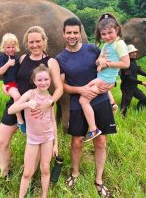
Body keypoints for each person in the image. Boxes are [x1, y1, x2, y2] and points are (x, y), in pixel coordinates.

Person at [56, 17, 116, 197]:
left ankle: (99, 179)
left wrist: (111, 85)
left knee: (101, 141)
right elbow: (62, 86)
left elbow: (107, 67)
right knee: (76, 142)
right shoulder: (60, 58)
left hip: (100, 100)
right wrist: (80, 90)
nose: (72, 36)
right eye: (69, 33)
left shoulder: (92, 49)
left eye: (76, 32)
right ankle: (75, 173)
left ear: (80, 32)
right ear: (63, 34)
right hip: (77, 104)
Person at [0, 26, 63, 180]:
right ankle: (4, 175)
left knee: (37, 147)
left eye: (38, 41)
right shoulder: (22, 58)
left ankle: (31, 178)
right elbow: (10, 77)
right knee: (1, 141)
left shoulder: (51, 62)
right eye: (31, 42)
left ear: (44, 41)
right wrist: (5, 87)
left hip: (39, 108)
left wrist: (50, 102)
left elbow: (59, 88)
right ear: (27, 43)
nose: (34, 45)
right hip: (19, 103)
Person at [8, 64, 58, 198]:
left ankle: (44, 195)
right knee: (27, 172)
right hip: (33, 139)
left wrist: (56, 144)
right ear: (34, 81)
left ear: (50, 80)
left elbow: (53, 121)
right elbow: (11, 110)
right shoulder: (30, 94)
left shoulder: (50, 97)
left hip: (48, 138)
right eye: (39, 80)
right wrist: (26, 104)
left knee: (45, 169)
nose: (43, 82)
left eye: (46, 79)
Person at [79, 13, 129, 142]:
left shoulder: (119, 44)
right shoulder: (106, 45)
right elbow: (98, 60)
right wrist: (100, 62)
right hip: (102, 76)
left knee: (83, 100)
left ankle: (93, 129)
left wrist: (107, 63)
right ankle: (112, 103)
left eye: (109, 33)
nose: (107, 37)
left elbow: (126, 63)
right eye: (103, 34)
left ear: (117, 29)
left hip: (105, 79)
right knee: (86, 91)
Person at [0, 33, 25, 134]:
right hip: (10, 84)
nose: (11, 49)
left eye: (13, 47)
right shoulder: (3, 57)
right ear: (4, 47)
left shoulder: (16, 57)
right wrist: (8, 64)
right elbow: (0, 71)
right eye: (8, 47)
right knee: (17, 97)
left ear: (16, 46)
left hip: (17, 83)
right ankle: (19, 119)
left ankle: (23, 115)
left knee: (22, 96)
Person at [120, 44, 146, 117]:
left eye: (135, 52)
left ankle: (138, 112)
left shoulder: (133, 61)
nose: (134, 54)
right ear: (127, 54)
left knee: (144, 99)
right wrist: (142, 83)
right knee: (125, 105)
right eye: (131, 52)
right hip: (127, 88)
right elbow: (129, 78)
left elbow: (138, 70)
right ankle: (122, 118)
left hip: (133, 87)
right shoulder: (125, 64)